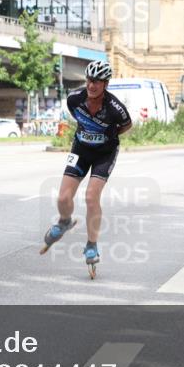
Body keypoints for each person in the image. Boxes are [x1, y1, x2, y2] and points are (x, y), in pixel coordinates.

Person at [41, 60, 132, 268]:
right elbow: (77, 118)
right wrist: (89, 132)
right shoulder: (74, 99)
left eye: (98, 82)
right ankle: (64, 221)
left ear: (106, 84)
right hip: (81, 149)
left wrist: (109, 134)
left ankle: (91, 245)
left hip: (104, 153)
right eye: (90, 80)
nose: (92, 85)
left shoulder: (115, 108)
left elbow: (127, 125)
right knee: (63, 197)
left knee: (91, 197)